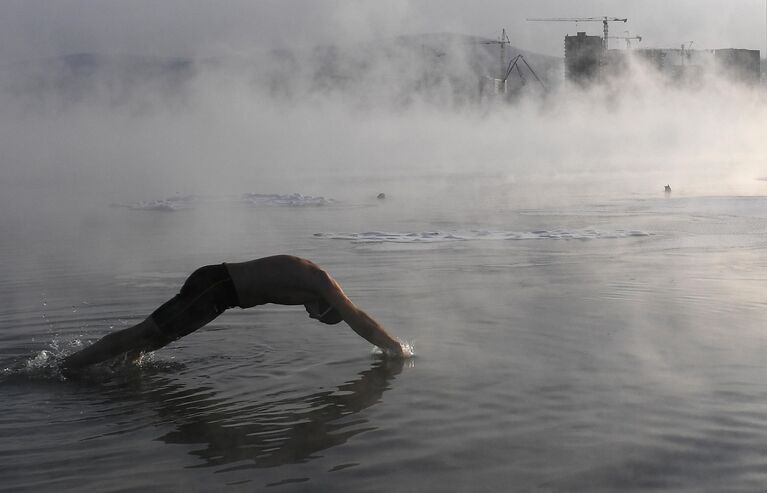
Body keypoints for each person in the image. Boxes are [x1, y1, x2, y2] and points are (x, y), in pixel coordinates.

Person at [60, 255, 404, 374]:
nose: (311, 316)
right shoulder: (323, 284)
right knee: (145, 333)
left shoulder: (312, 279)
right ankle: (70, 366)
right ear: (327, 306)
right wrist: (394, 347)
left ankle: (111, 372)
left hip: (217, 286)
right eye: (318, 315)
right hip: (217, 288)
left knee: (153, 341)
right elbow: (358, 317)